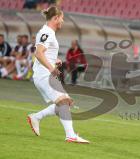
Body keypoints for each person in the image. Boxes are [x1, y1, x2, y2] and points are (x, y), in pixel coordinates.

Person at [27, 6, 89, 143]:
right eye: (62, 18)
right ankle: (71, 136)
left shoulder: (47, 32)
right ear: (55, 18)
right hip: (44, 75)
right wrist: (51, 68)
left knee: (65, 102)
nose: (63, 21)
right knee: (64, 102)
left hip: (44, 74)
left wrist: (54, 60)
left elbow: (42, 53)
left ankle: (36, 117)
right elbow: (38, 53)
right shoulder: (47, 32)